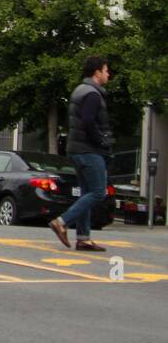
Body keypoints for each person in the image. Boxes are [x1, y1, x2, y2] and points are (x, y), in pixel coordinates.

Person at [50, 55, 113, 252]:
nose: (108, 74)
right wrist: (101, 141)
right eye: (106, 70)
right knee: (98, 192)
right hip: (88, 150)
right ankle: (62, 221)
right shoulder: (93, 94)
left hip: (76, 150)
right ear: (97, 73)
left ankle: (83, 238)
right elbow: (88, 121)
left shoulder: (80, 90)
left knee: (86, 193)